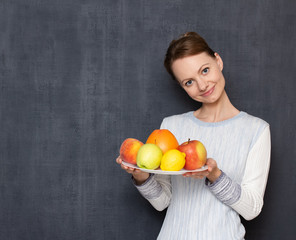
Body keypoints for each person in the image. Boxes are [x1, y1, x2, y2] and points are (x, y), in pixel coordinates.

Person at [116, 32, 271, 239]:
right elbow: (163, 202)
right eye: (189, 82)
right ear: (182, 87)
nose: (202, 85)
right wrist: (139, 174)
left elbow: (252, 209)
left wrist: (214, 175)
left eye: (205, 70)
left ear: (218, 61)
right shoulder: (170, 127)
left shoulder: (256, 130)